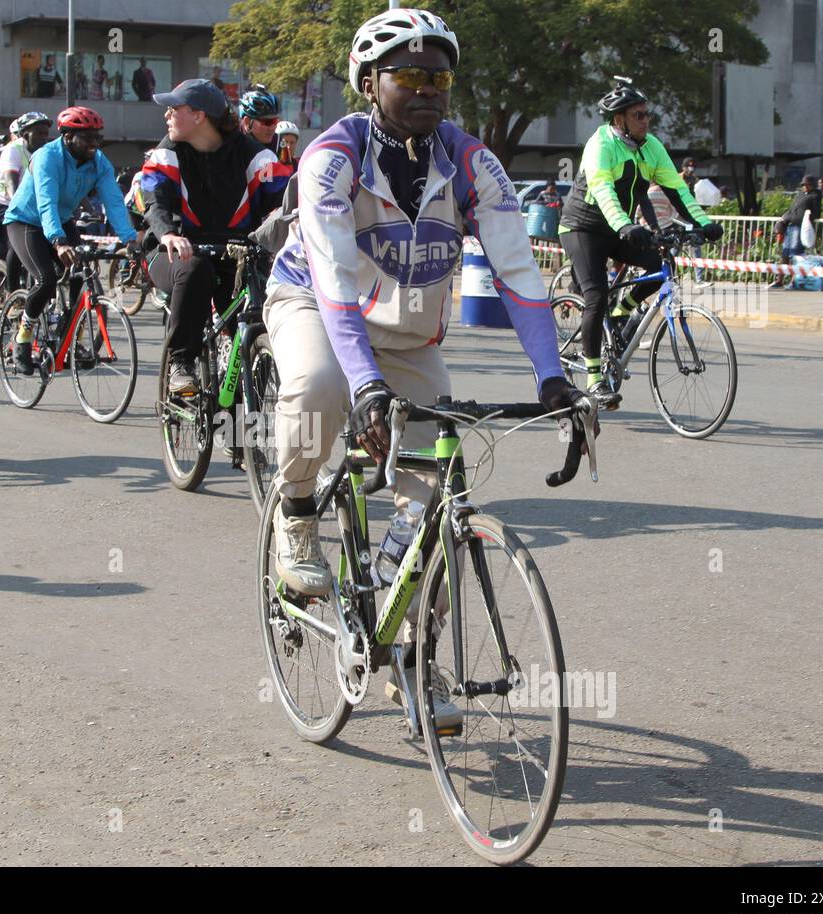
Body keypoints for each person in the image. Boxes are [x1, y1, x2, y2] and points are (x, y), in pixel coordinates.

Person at [263, 7, 581, 608]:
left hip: (407, 338)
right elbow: (333, 279)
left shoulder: (471, 162)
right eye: (408, 77)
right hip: (314, 301)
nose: (427, 90)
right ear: (368, 84)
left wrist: (553, 378)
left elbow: (518, 273)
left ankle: (409, 650)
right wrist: (364, 386)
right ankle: (298, 512)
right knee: (317, 384)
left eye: (439, 78)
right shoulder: (332, 158)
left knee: (436, 512)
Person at [557, 77, 721, 406]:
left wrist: (703, 222)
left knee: (656, 266)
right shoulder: (600, 145)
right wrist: (624, 224)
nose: (646, 120)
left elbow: (676, 188)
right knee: (595, 297)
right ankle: (594, 378)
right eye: (639, 115)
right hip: (583, 227)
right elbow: (602, 189)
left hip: (619, 228)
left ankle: (621, 312)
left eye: (647, 114)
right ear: (619, 119)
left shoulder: (651, 147)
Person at [141, 78, 290, 393]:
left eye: (173, 108)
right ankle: (180, 364)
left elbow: (283, 196)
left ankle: (238, 424)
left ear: (199, 116)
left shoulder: (253, 155)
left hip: (234, 256)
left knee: (256, 316)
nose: (167, 114)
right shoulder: (168, 152)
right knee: (196, 271)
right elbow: (155, 197)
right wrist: (167, 233)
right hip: (173, 252)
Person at [2, 106, 137, 375]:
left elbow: (113, 201)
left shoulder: (99, 161)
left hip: (62, 220)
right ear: (67, 137)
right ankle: (22, 339)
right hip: (27, 220)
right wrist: (58, 242)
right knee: (45, 280)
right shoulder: (46, 158)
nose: (94, 144)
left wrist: (129, 240)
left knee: (80, 275)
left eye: (97, 137)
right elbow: (46, 202)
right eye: (87, 138)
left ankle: (71, 337)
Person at [0, 111, 52, 292]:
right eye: (39, 133)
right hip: (0, 203)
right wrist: (17, 205)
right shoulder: (13, 149)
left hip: (26, 206)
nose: (44, 138)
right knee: (6, 249)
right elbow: (10, 180)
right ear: (24, 134)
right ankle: (3, 294)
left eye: (46, 133)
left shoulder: (45, 153)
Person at [773, 175, 822, 288]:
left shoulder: (815, 196)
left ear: (812, 185)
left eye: (807, 184)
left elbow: (816, 213)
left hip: (800, 227)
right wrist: (784, 220)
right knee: (785, 253)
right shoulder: (800, 195)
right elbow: (792, 209)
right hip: (790, 226)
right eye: (803, 185)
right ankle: (779, 279)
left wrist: (808, 217)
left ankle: (794, 281)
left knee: (796, 255)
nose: (804, 186)